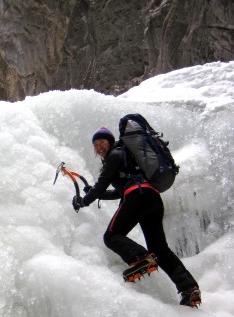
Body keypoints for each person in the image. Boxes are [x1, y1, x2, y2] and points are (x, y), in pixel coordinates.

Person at [72, 126, 201, 307]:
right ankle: (190, 289)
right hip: (152, 199)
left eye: (102, 141)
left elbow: (101, 185)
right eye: (95, 144)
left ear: (110, 141)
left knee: (111, 236)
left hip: (137, 197)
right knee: (160, 249)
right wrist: (94, 193)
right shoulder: (125, 159)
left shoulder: (115, 156)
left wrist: (83, 201)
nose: (99, 146)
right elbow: (117, 192)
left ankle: (141, 258)